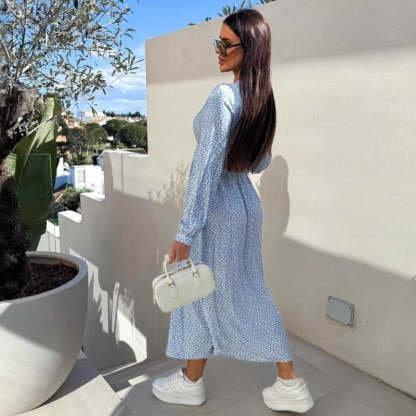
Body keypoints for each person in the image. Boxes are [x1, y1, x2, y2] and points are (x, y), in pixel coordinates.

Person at [152, 8, 314, 413]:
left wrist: (186, 231)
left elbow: (205, 168)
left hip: (219, 212)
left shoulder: (222, 97)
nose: (219, 51)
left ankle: (288, 381)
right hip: (246, 207)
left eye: (227, 45)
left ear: (250, 48)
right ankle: (192, 380)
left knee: (219, 291)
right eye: (218, 42)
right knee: (217, 290)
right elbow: (260, 164)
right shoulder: (261, 100)